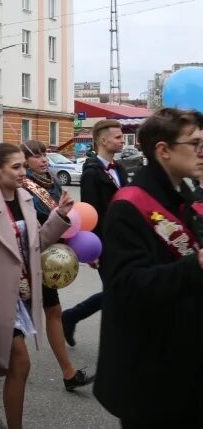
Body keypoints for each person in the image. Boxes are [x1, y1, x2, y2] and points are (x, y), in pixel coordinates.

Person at [94, 108, 203, 428]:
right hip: (151, 375)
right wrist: (193, 267)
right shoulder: (128, 207)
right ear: (163, 150)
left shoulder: (185, 195)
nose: (201, 151)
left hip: (186, 365)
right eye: (195, 144)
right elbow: (126, 287)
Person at [0, 143, 72, 429]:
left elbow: (35, 245)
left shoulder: (25, 198)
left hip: (25, 294)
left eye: (23, 166)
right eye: (16, 167)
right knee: (19, 363)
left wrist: (59, 217)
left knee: (1, 365)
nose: (22, 172)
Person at [20, 140, 95, 391]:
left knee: (54, 312)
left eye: (44, 154)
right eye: (36, 156)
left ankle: (68, 372)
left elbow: (70, 222)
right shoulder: (23, 186)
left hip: (49, 259)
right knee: (10, 326)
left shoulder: (52, 181)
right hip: (26, 261)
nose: (42, 159)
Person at [62, 119, 127, 346]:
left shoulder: (120, 169)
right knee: (117, 292)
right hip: (105, 244)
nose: (122, 141)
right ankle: (73, 317)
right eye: (118, 137)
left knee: (119, 291)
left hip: (123, 242)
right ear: (103, 139)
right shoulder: (92, 173)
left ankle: (71, 317)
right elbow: (90, 212)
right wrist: (93, 250)